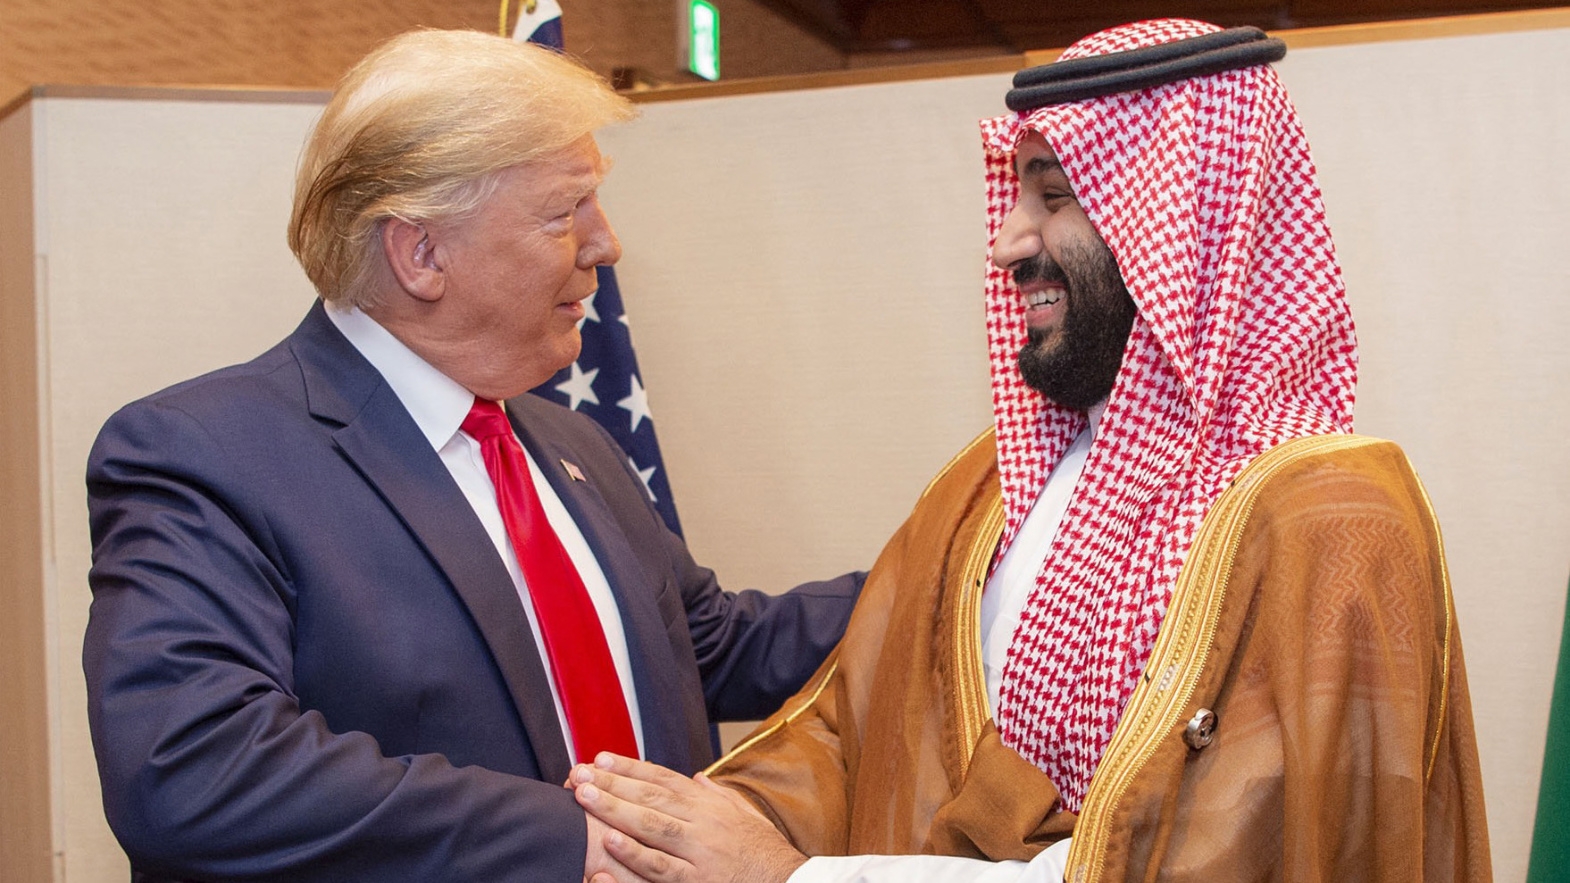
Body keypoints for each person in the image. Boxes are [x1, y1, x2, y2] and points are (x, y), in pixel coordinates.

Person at [566, 19, 1491, 883]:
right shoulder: (990, 483)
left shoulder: (1333, 521)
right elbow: (857, 728)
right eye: (1017, 196)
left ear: (1180, 222)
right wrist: (686, 826)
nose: (1007, 242)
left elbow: (1235, 850)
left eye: (1053, 198)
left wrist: (800, 876)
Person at [82, 29, 860, 883]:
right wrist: (577, 840)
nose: (606, 245)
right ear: (420, 252)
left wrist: (968, 564)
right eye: (566, 212)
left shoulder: (571, 444)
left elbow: (712, 648)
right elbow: (193, 771)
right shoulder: (206, 453)